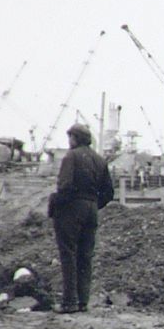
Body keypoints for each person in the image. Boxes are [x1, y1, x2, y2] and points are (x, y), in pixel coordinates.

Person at [50, 123, 114, 313]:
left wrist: (58, 206)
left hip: (71, 209)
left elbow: (65, 186)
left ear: (75, 138)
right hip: (91, 210)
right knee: (85, 256)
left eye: (70, 137)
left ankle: (69, 302)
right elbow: (109, 192)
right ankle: (82, 301)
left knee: (68, 254)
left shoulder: (72, 156)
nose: (69, 141)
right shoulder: (100, 160)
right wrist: (93, 204)